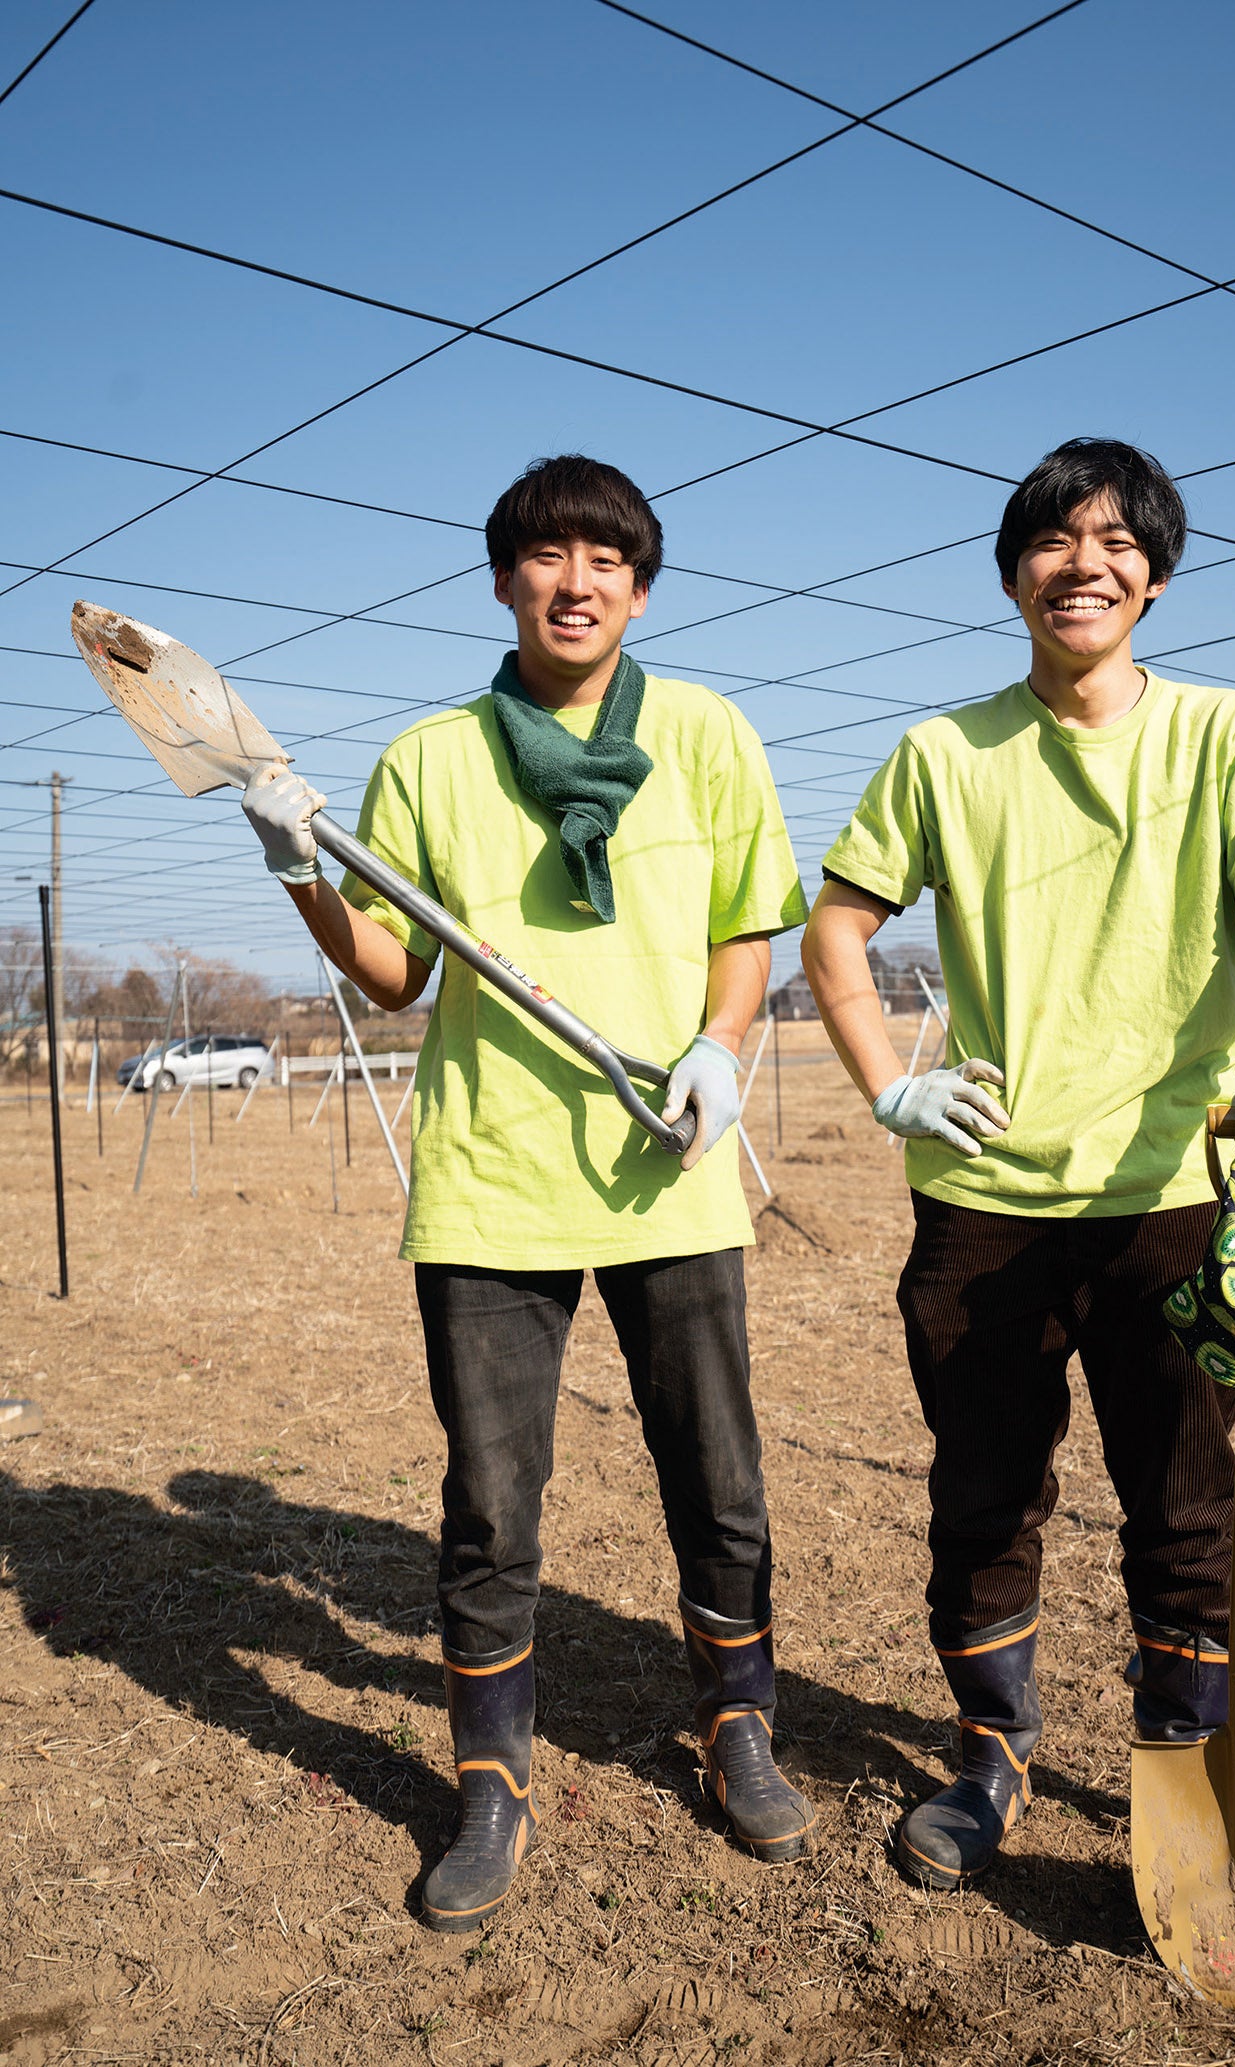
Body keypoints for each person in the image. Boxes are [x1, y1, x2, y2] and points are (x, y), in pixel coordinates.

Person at [240, 454, 814, 1931]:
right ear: (504, 580)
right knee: (492, 1509)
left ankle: (737, 1724)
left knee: (721, 1481)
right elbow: (390, 976)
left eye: (606, 559)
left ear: (640, 584)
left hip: (668, 1173)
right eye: (547, 556)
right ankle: (490, 1777)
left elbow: (751, 922)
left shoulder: (706, 735)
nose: (577, 581)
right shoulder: (432, 759)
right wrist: (302, 871)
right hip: (494, 1188)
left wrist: (721, 1046)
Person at [801, 437, 1235, 1892]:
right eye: (1052, 539)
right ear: (1013, 574)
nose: (1082, 561)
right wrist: (890, 1088)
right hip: (981, 1211)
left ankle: (1188, 1757)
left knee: (1187, 1508)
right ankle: (993, 1753)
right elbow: (835, 927)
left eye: (1115, 540)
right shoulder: (941, 752)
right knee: (985, 1495)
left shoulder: (1224, 734)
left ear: (1154, 577)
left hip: (1175, 1198)